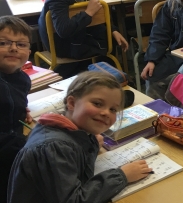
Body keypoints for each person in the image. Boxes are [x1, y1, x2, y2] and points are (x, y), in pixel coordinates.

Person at [7, 72, 152, 203]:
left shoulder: (64, 129)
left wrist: (91, 145)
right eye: (97, 103)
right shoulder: (54, 147)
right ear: (71, 103)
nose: (106, 113)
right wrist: (122, 176)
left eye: (112, 109)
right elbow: (74, 200)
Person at [38, 0, 129, 77]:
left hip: (80, 40)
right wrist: (88, 13)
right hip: (64, 47)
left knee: (110, 40)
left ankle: (108, 75)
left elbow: (98, 17)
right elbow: (63, 30)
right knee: (105, 49)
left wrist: (113, 30)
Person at [0, 17, 32, 203]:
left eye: (21, 44)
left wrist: (19, 109)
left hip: (14, 153)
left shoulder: (22, 79)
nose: (13, 48)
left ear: (29, 50)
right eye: (3, 43)